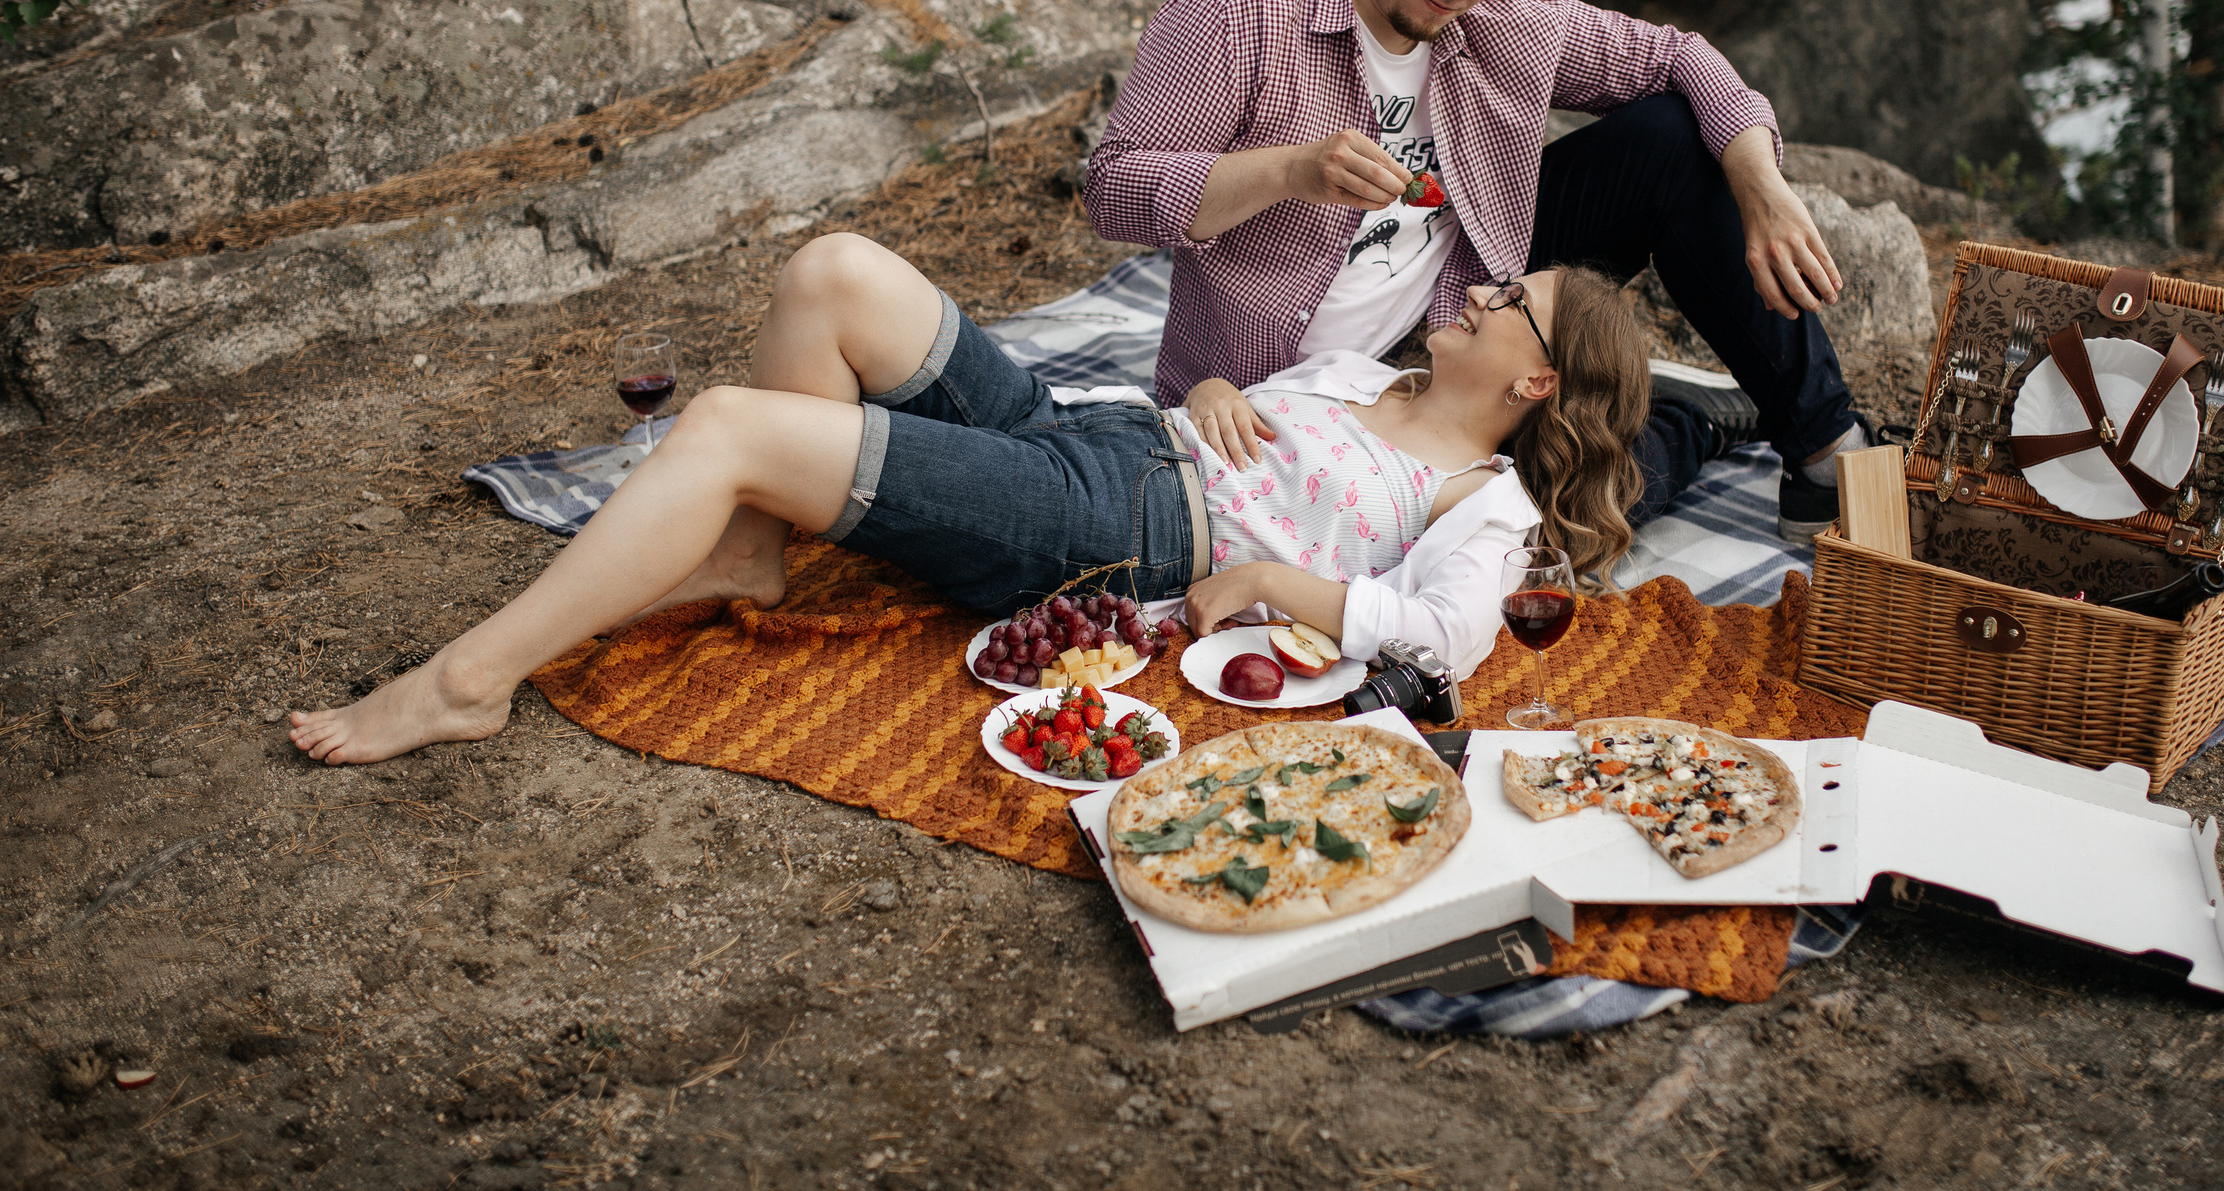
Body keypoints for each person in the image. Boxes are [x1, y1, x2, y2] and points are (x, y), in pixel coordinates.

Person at [287, 233, 1651, 765]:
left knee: (721, 423)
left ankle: (472, 674)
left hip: (1111, 531)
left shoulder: (1482, 497)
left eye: (1503, 300)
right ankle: (754, 550)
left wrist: (1273, 584)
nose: (1472, 291)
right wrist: (1230, 394)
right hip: (1105, 436)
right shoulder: (1366, 363)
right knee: (830, 272)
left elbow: (1440, 637)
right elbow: (1251, 420)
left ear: (1536, 378)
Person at [1082, 0, 1872, 543]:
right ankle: (1693, 420)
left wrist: (1763, 185)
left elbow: (1677, 56)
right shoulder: (1239, 14)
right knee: (1522, 525)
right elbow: (1112, 189)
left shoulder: (1507, 8)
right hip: (1289, 386)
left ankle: (1825, 449)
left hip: (1461, 310)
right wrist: (1289, 171)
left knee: (1674, 135)